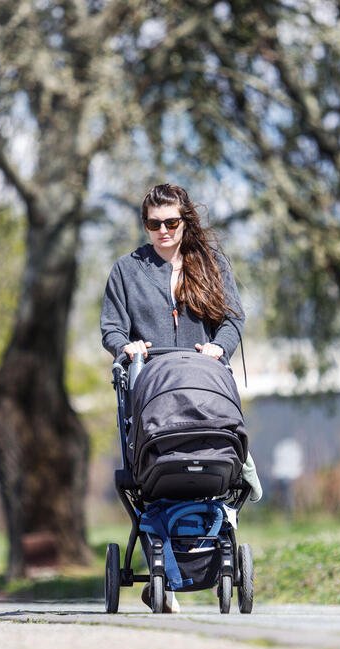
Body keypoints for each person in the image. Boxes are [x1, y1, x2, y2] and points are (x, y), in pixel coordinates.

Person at [101, 182, 263, 612]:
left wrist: (218, 348)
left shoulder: (208, 265)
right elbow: (111, 327)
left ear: (184, 220)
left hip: (203, 385)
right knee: (154, 469)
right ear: (145, 226)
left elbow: (232, 319)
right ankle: (165, 573)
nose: (164, 231)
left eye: (171, 222)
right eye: (154, 224)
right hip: (153, 390)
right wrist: (126, 347)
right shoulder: (126, 270)